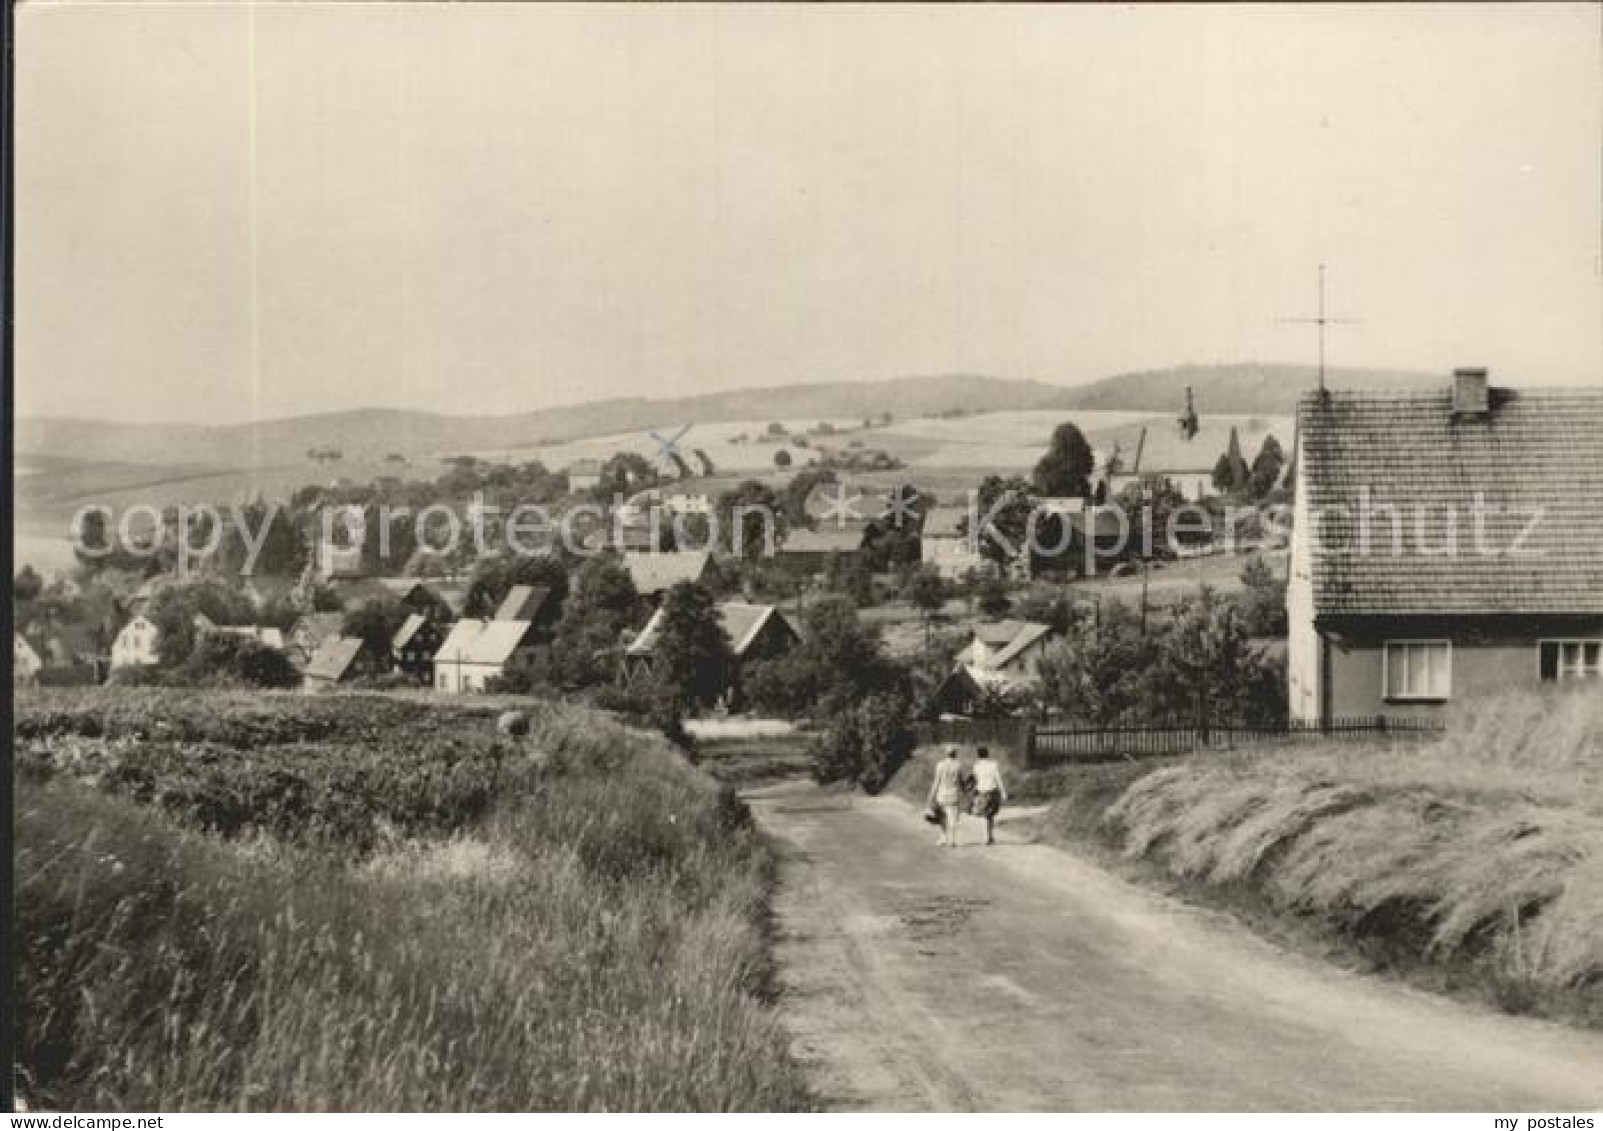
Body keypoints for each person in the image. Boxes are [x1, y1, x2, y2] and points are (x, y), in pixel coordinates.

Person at [927, 745, 966, 848]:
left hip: (942, 795)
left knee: (942, 818)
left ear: (946, 753)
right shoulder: (958, 765)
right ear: (955, 753)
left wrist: (931, 795)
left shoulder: (940, 765)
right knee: (953, 818)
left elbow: (936, 781)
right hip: (953, 795)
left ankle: (943, 838)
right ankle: (953, 840)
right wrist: (964, 790)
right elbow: (961, 781)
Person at [970, 746, 1007, 846]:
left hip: (981, 791)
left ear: (978, 755)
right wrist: (1003, 792)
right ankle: (989, 836)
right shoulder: (993, 765)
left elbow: (975, 779)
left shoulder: (976, 766)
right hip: (992, 792)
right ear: (988, 754)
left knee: (983, 814)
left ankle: (987, 837)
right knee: (990, 816)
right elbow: (998, 779)